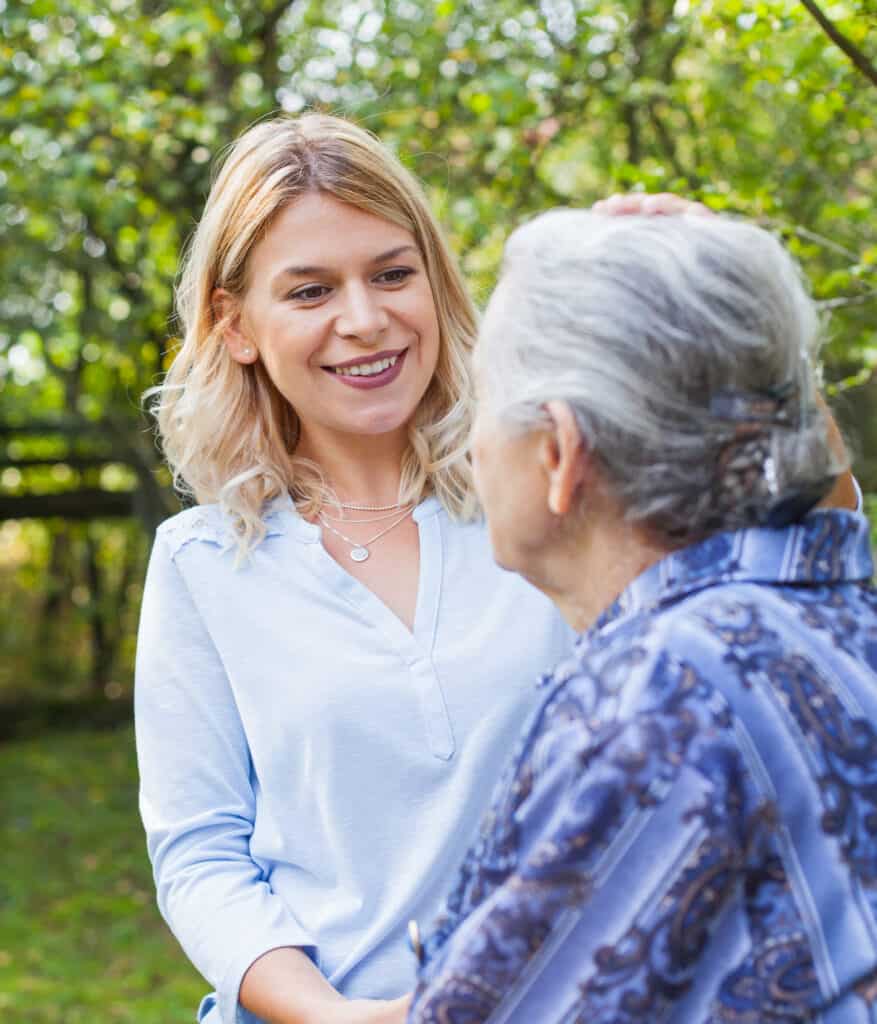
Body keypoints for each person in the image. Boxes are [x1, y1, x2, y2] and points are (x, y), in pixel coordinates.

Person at [134, 114, 576, 1024]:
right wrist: (340, 1018)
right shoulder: (203, 563)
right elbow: (201, 857)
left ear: (435, 281)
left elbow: (797, 555)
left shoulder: (553, 499)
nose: (365, 320)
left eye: (391, 273)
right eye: (308, 291)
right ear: (237, 325)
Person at [407, 210, 877, 1022]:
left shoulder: (662, 696)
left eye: (483, 401)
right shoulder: (829, 615)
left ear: (557, 452)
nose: (469, 447)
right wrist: (733, 309)